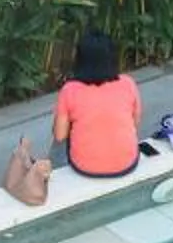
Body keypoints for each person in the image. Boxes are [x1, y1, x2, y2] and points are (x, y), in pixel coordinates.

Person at [51, 29, 142, 179]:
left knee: (57, 140)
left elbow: (60, 136)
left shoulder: (69, 90)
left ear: (80, 59)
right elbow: (135, 123)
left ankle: (54, 173)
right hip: (127, 163)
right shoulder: (128, 83)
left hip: (85, 167)